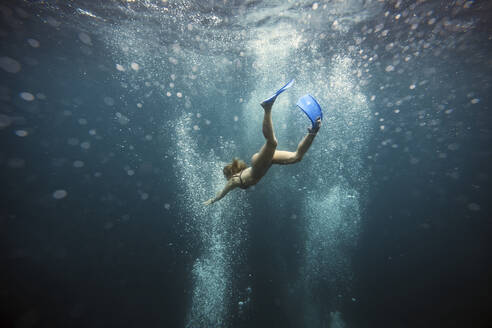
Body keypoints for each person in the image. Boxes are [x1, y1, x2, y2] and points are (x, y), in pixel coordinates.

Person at [203, 90, 321, 205]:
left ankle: (267, 108)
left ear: (229, 174)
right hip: (264, 162)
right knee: (296, 157)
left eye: (225, 176)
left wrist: (213, 200)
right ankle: (313, 131)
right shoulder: (240, 175)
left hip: (259, 164)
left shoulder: (233, 180)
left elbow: (222, 193)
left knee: (272, 142)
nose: (226, 179)